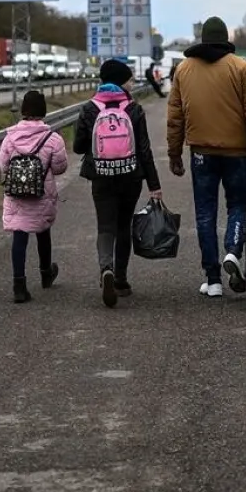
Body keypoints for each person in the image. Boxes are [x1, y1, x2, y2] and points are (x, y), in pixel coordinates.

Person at [166, 16, 246, 297]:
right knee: (237, 206)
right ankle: (233, 251)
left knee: (205, 214)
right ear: (226, 38)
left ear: (202, 39)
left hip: (201, 154)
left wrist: (174, 153)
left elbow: (175, 117)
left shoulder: (183, 70)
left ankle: (213, 280)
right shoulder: (241, 68)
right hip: (236, 154)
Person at [73, 59, 163, 308]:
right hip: (130, 176)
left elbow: (78, 147)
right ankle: (121, 280)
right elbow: (144, 151)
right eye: (130, 80)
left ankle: (106, 269)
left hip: (101, 176)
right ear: (121, 82)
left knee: (105, 226)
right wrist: (154, 185)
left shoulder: (90, 108)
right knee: (124, 226)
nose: (132, 84)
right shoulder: (134, 109)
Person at [0, 90, 70, 304]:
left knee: (19, 236)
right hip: (42, 194)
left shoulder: (10, 137)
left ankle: (19, 284)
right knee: (43, 231)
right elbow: (60, 167)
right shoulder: (52, 138)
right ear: (43, 110)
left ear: (23, 110)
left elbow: (3, 165)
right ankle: (46, 273)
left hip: (16, 195)